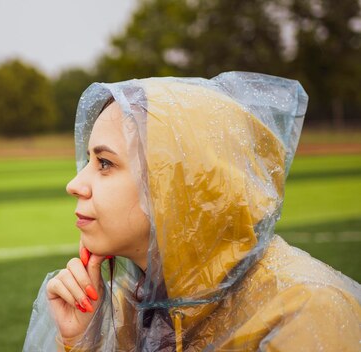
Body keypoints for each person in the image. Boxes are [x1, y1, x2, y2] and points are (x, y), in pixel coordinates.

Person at [23, 72, 361, 351]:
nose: (75, 184)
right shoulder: (136, 303)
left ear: (177, 182)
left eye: (105, 163)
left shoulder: (307, 310)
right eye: (89, 161)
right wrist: (79, 341)